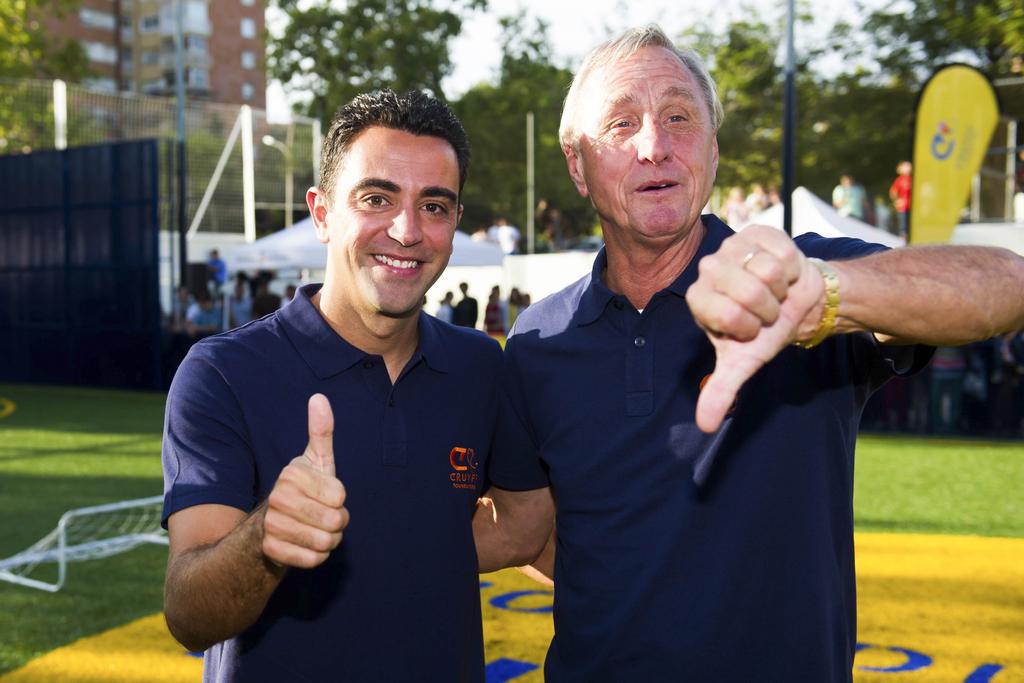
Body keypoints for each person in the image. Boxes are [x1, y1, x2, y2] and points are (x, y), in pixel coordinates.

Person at [473, 25, 1024, 682]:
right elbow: (532, 529)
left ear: (712, 149)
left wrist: (830, 295)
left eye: (679, 117)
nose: (656, 146)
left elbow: (1007, 283)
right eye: (622, 124)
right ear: (577, 164)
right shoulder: (538, 340)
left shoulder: (794, 278)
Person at [162, 89, 503, 682]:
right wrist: (267, 536)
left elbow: (525, 525)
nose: (406, 230)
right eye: (377, 198)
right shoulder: (222, 372)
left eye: (435, 206)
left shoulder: (484, 368)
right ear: (322, 213)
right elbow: (189, 614)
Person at [889, 160, 912, 239]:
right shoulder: (900, 180)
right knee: (904, 227)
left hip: (912, 207)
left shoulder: (912, 178)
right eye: (906, 166)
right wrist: (897, 201)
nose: (909, 167)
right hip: (903, 207)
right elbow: (893, 191)